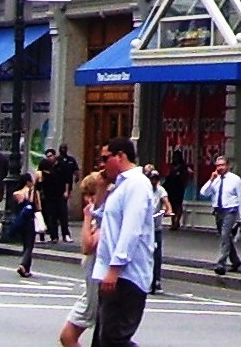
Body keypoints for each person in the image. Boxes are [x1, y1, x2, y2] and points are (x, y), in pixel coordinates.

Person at [91, 138, 157, 347]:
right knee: (102, 339)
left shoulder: (137, 184)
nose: (101, 164)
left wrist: (115, 268)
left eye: (105, 158)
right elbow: (100, 218)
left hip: (127, 275)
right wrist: (101, 187)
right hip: (110, 273)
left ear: (120, 156)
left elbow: (131, 229)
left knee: (114, 339)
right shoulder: (118, 186)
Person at [59, 170, 104, 347]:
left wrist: (87, 217)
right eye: (85, 195)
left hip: (100, 287)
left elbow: (87, 246)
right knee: (67, 336)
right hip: (91, 287)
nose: (88, 199)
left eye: (91, 194)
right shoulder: (96, 220)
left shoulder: (105, 218)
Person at [200, 152, 241, 275]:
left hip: (230, 210)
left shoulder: (235, 180)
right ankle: (236, 261)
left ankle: (221, 263)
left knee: (225, 235)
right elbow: (204, 193)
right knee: (227, 238)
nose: (220, 168)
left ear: (228, 166)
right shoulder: (215, 180)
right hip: (218, 211)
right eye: (218, 165)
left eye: (222, 165)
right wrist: (211, 180)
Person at [145, 164, 172, 293]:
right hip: (145, 227)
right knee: (145, 254)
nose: (154, 182)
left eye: (156, 179)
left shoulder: (160, 190)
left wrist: (168, 210)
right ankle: (145, 279)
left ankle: (157, 281)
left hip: (156, 226)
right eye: (152, 179)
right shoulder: (144, 190)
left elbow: (166, 202)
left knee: (157, 255)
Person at [11, 171, 39, 278]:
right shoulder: (32, 192)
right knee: (29, 245)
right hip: (29, 221)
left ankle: (27, 269)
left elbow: (15, 208)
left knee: (25, 244)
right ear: (28, 182)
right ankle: (23, 265)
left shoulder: (16, 193)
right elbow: (37, 207)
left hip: (20, 221)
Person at [52, 145, 80, 243]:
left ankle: (65, 234)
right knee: (55, 214)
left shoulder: (70, 160)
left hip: (63, 190)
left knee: (63, 214)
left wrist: (67, 190)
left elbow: (72, 175)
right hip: (55, 191)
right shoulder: (57, 161)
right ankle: (55, 235)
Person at [164, 149, 189, 230]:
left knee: (178, 204)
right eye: (174, 157)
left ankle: (177, 221)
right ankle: (172, 222)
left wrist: (184, 184)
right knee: (172, 205)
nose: (175, 158)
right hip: (171, 187)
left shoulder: (183, 167)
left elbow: (185, 177)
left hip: (179, 187)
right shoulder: (171, 166)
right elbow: (168, 177)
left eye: (177, 157)